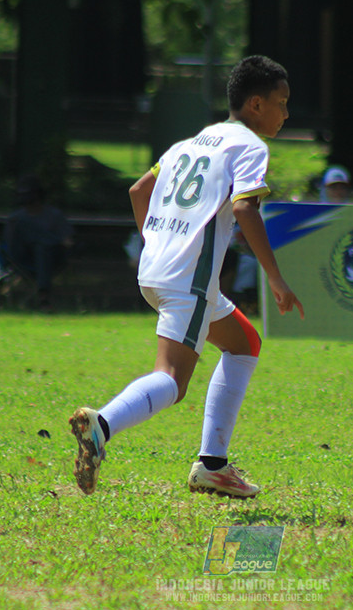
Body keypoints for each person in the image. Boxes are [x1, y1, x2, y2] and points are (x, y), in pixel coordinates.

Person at [68, 55, 304, 499]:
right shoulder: (250, 146)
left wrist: (158, 242)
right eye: (282, 102)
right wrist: (276, 277)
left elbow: (140, 190)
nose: (287, 113)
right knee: (172, 380)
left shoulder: (188, 144)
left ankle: (213, 466)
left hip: (159, 271)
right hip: (188, 279)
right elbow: (244, 208)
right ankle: (101, 425)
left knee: (243, 342)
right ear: (256, 104)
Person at [2, 176, 73, 310]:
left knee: (42, 248)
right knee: (29, 231)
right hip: (22, 256)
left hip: (51, 257)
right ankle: (43, 295)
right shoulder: (16, 219)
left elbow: (67, 241)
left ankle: (43, 295)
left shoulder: (54, 215)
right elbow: (9, 244)